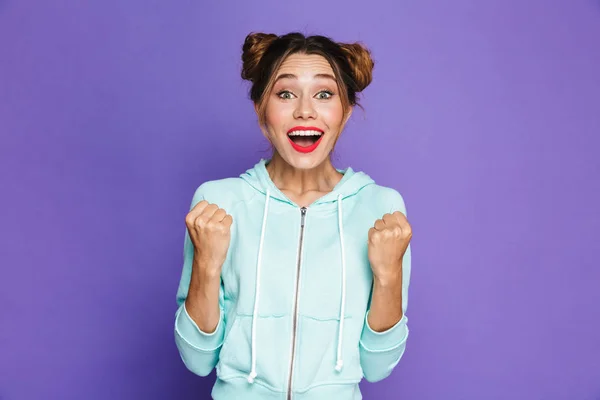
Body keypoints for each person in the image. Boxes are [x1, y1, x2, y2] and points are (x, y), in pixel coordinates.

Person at [174, 31, 413, 400]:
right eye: (285, 93)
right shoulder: (218, 203)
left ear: (345, 111)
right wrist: (206, 266)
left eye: (324, 94)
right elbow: (197, 359)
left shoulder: (380, 208)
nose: (305, 109)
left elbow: (377, 367)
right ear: (260, 109)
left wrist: (388, 276)